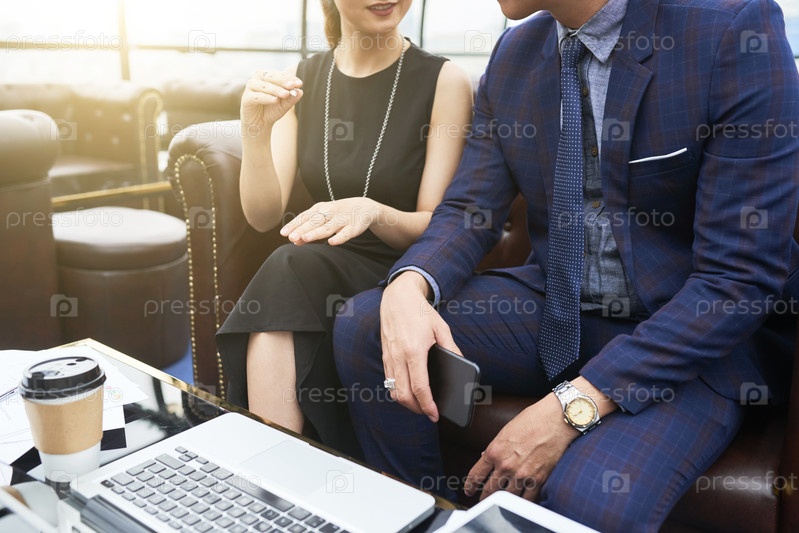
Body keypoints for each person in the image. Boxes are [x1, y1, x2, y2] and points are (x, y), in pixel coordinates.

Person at [333, 0, 799, 530]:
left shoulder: (730, 28)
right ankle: (425, 519)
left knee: (589, 500)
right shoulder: (515, 52)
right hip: (559, 311)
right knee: (367, 324)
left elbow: (737, 279)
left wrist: (571, 406)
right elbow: (469, 210)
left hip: (692, 338)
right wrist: (409, 285)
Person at [216, 0, 473, 459]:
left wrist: (372, 212)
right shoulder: (303, 79)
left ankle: (269, 464)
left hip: (406, 269)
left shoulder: (444, 80)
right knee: (290, 265)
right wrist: (254, 131)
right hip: (320, 265)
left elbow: (438, 226)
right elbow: (262, 215)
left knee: (289, 266)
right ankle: (277, 462)